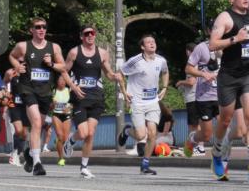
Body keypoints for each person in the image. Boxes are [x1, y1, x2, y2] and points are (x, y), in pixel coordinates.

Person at [209, 0, 249, 184]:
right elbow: (212, 44)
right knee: (225, 120)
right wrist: (235, 39)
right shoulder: (225, 18)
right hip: (229, 75)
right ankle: (216, 152)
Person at [9, 17, 68, 176]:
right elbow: (12, 56)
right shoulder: (23, 46)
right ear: (31, 30)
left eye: (44, 27)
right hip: (28, 89)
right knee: (35, 122)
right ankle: (37, 163)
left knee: (40, 125)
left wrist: (51, 64)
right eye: (38, 27)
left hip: (46, 92)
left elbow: (64, 66)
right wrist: (17, 66)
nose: (41, 29)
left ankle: (29, 152)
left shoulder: (54, 47)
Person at [63, 25, 122, 178]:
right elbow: (64, 71)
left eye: (92, 33)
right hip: (80, 98)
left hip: (96, 97)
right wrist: (73, 87)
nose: (90, 36)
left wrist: (114, 76)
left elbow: (108, 74)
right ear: (81, 36)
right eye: (86, 33)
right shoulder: (74, 52)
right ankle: (70, 140)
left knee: (91, 133)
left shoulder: (102, 53)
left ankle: (84, 166)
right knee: (82, 133)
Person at [119, 34, 168, 175]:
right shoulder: (135, 61)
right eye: (148, 42)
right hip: (137, 102)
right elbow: (120, 73)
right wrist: (124, 92)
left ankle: (145, 164)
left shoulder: (161, 60)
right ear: (142, 47)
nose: (152, 44)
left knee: (152, 134)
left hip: (153, 101)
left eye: (153, 41)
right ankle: (127, 131)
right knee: (141, 136)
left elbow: (165, 72)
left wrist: (164, 88)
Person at [187, 34, 221, 162]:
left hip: (223, 95)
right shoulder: (201, 48)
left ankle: (219, 156)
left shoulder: (229, 45)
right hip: (204, 97)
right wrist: (203, 74)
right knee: (206, 136)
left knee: (227, 128)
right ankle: (192, 138)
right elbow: (188, 68)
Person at [175, 42, 202, 157]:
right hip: (198, 96)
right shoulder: (200, 63)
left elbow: (191, 82)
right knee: (195, 123)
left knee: (193, 124)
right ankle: (196, 146)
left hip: (193, 97)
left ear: (188, 51)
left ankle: (198, 147)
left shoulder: (193, 64)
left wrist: (181, 82)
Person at [50, 75, 73, 166]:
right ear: (57, 82)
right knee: (60, 136)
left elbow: (73, 103)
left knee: (65, 138)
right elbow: (50, 106)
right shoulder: (54, 91)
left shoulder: (69, 91)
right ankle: (61, 158)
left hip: (67, 115)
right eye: (60, 80)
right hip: (56, 115)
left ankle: (58, 142)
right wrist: (53, 104)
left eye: (64, 80)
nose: (62, 82)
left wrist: (68, 108)